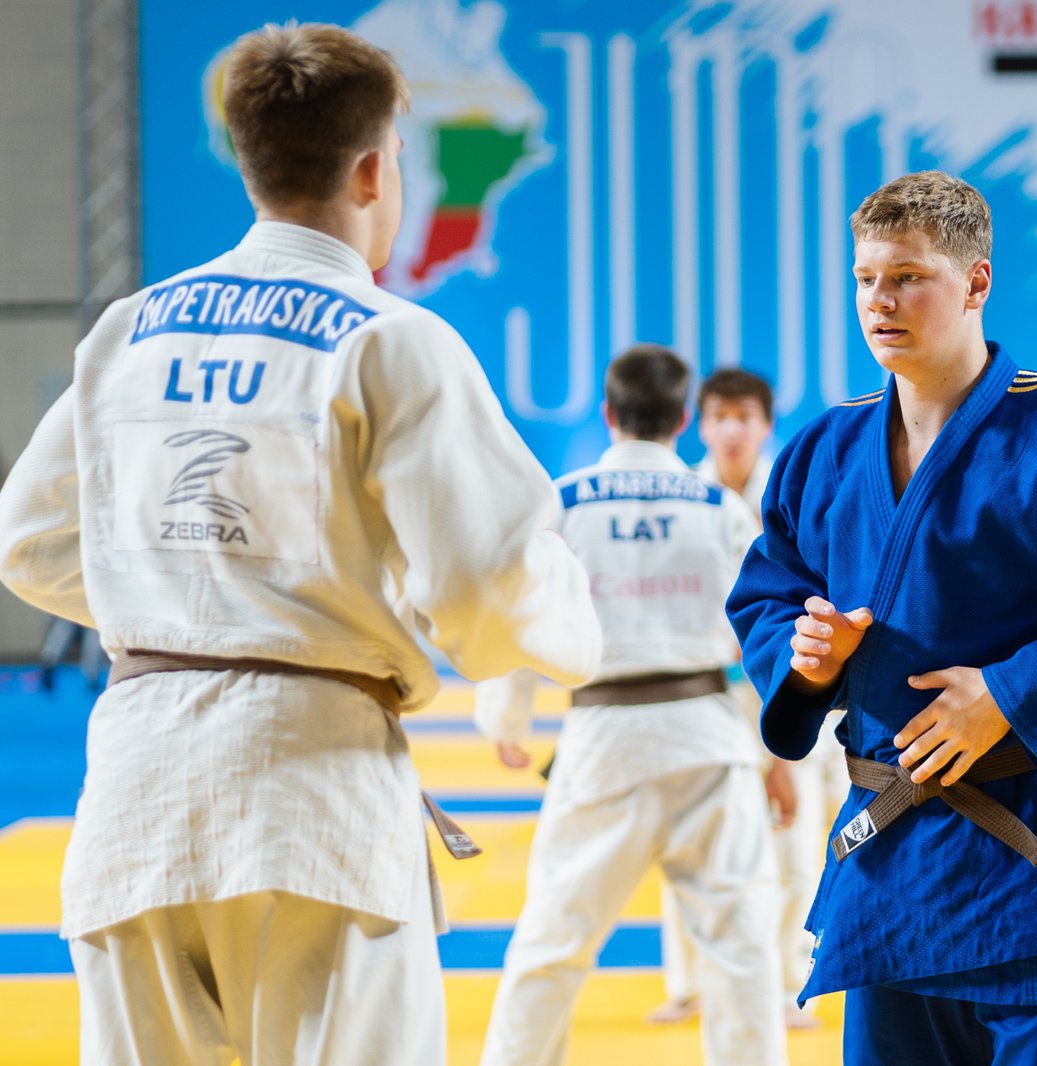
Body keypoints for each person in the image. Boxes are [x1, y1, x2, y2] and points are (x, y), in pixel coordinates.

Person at [0, 22, 600, 1065]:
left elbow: (30, 542)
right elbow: (487, 584)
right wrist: (575, 643)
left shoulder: (128, 330)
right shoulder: (391, 338)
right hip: (312, 792)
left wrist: (190, 603)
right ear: (372, 171)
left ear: (250, 163)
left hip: (136, 793)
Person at [726, 171, 1037, 1064]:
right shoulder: (825, 447)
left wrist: (1010, 694)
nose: (880, 301)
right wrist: (807, 659)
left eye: (908, 277)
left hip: (1035, 852)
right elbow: (769, 594)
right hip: (892, 855)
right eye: (866, 278)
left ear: (975, 283)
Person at [474, 344, 788, 1066]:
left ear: (608, 414)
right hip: (709, 737)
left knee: (552, 943)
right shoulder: (720, 508)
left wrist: (507, 717)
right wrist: (774, 752)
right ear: (682, 420)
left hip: (603, 740)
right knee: (741, 951)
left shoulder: (563, 502)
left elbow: (519, 612)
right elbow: (764, 639)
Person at [649, 367, 847, 1030]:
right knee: (690, 844)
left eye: (745, 417)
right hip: (702, 695)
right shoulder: (678, 498)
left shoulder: (795, 495)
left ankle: (790, 981)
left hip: (790, 692)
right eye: (720, 417)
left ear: (766, 426)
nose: (732, 430)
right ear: (699, 426)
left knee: (795, 845)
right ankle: (687, 985)